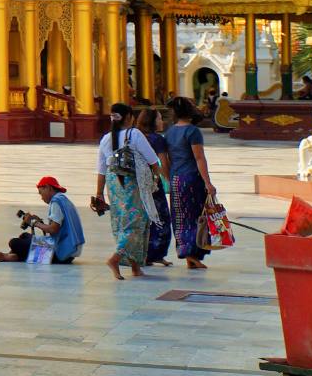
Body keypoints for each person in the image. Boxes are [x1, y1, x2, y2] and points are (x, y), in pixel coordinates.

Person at [93, 105, 163, 281]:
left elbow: (101, 169)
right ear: (128, 117)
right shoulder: (135, 134)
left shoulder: (106, 139)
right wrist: (156, 178)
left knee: (122, 220)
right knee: (137, 222)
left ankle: (135, 267)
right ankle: (115, 258)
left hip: (113, 182)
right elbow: (153, 160)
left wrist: (99, 193)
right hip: (132, 181)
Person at [164, 97, 219, 269]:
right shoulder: (193, 131)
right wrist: (208, 183)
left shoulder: (170, 131)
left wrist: (169, 178)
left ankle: (187, 253)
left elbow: (166, 159)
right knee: (196, 217)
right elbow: (199, 158)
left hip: (176, 179)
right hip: (191, 179)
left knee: (180, 217)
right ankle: (193, 253)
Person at [0, 177, 85, 263]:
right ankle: (13, 255)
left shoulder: (56, 202)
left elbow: (53, 229)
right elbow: (57, 229)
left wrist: (34, 223)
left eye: (41, 193)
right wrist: (38, 222)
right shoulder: (63, 200)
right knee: (24, 236)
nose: (41, 198)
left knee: (14, 242)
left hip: (61, 253)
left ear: (48, 188)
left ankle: (13, 256)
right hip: (70, 250)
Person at [141, 108, 174, 267]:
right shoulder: (157, 139)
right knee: (161, 218)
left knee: (146, 218)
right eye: (160, 119)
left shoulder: (137, 136)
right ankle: (157, 253)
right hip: (154, 184)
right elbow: (163, 163)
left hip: (139, 184)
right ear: (153, 121)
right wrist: (169, 179)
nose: (162, 122)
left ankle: (145, 253)